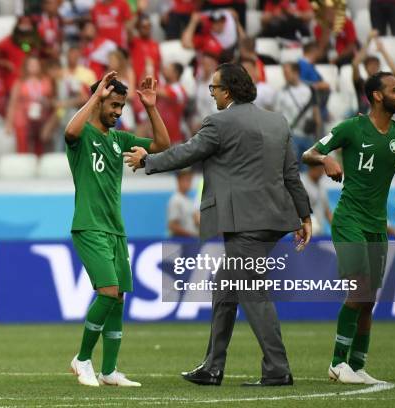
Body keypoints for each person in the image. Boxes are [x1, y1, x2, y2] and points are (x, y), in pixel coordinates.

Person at [124, 63, 312, 387]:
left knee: (253, 293)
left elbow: (187, 153)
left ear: (227, 91)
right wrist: (305, 216)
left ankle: (277, 369)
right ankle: (212, 367)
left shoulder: (219, 122)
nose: (211, 94)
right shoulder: (277, 122)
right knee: (225, 286)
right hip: (274, 220)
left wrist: (148, 161)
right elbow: (291, 175)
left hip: (244, 222)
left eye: (214, 88)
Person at [302, 71, 395, 384]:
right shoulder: (352, 127)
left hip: (377, 224)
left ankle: (358, 366)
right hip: (349, 219)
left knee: (370, 299)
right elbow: (309, 152)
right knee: (360, 290)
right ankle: (338, 363)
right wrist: (325, 160)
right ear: (378, 96)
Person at [66, 71, 170, 387]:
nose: (117, 112)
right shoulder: (82, 135)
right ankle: (82, 359)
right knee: (107, 292)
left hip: (115, 229)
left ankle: (109, 370)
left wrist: (151, 107)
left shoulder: (119, 139)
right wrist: (95, 96)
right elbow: (70, 130)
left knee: (118, 298)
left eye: (121, 106)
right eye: (113, 104)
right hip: (89, 226)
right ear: (99, 100)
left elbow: (163, 145)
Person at [352, 30, 395, 115]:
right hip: (363, 120)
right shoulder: (360, 83)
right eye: (370, 65)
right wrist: (368, 41)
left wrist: (382, 50)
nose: (373, 67)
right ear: (365, 67)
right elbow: (355, 64)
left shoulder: (384, 85)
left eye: (375, 64)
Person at [168, 168, 199, 237]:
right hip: (182, 243)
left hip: (190, 243)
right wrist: (192, 235)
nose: (189, 183)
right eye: (187, 180)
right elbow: (173, 226)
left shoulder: (188, 200)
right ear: (179, 180)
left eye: (190, 180)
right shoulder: (175, 200)